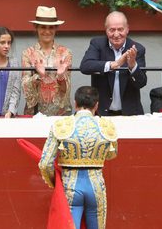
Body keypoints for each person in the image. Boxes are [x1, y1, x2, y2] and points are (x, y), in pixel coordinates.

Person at [38, 86, 118, 229]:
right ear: (96, 105)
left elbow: (44, 164)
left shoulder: (61, 125)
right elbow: (111, 154)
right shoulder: (107, 126)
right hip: (96, 186)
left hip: (70, 184)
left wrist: (55, 183)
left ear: (75, 103)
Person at [80, 11, 147, 116]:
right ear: (106, 30)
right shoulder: (97, 44)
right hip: (102, 113)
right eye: (112, 30)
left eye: (120, 29)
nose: (116, 34)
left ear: (127, 29)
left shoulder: (137, 49)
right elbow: (85, 66)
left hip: (130, 114)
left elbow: (141, 83)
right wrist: (113, 65)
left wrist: (132, 65)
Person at [22, 6, 72, 116]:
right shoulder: (28, 53)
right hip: (35, 112)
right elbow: (25, 86)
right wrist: (39, 76)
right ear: (36, 28)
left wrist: (60, 76)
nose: (47, 31)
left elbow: (65, 90)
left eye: (51, 28)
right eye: (43, 27)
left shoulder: (65, 52)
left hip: (60, 112)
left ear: (56, 28)